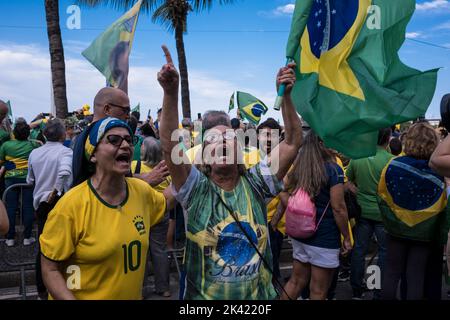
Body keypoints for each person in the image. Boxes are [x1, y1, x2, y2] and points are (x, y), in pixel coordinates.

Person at [158, 45, 302, 299]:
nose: (222, 142)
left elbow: (291, 142)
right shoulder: (195, 190)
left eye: (229, 137)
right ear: (204, 154)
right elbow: (171, 146)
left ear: (241, 148)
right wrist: (171, 93)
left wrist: (287, 96)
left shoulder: (258, 183)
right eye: (212, 140)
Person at [40, 117, 175, 300]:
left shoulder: (141, 191)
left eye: (129, 139)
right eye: (114, 140)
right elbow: (50, 268)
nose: (126, 145)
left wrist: (187, 171)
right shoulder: (70, 206)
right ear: (93, 154)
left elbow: (167, 200)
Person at [379, 123, 448, 300]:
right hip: (424, 233)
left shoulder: (393, 164)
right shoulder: (438, 172)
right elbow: (442, 206)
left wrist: (390, 220)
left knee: (391, 272)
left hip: (395, 228)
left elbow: (382, 195)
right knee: (415, 276)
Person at [280, 132, 352, 300]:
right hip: (324, 238)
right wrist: (347, 237)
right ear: (321, 144)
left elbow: (282, 190)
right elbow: (338, 208)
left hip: (300, 235)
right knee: (318, 291)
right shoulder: (334, 169)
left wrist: (292, 205)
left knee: (296, 282)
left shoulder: (300, 167)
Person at [27, 118, 73, 300]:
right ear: (62, 134)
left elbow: (30, 180)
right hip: (58, 203)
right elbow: (64, 172)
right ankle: (63, 288)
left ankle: (42, 291)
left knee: (44, 249)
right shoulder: (65, 152)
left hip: (41, 205)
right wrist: (55, 192)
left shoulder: (35, 154)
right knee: (64, 247)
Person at [346, 128, 393, 299]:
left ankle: (356, 289)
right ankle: (376, 289)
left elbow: (346, 180)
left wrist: (358, 192)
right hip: (383, 214)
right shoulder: (391, 160)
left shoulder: (358, 157)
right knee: (383, 252)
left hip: (362, 211)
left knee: (359, 250)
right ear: (388, 138)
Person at [131, 137, 172, 298]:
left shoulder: (136, 167)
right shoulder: (165, 168)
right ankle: (164, 287)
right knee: (159, 250)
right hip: (162, 211)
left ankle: (140, 289)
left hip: (140, 212)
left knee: (140, 250)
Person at [71, 87, 131, 187]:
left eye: (128, 140)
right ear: (107, 109)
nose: (128, 116)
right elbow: (109, 184)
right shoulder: (91, 137)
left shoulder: (86, 134)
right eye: (114, 140)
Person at [0, 119, 37, 247]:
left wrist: (8, 164)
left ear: (14, 133)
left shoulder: (6, 145)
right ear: (27, 134)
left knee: (10, 207)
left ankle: (10, 238)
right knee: (28, 207)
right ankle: (27, 237)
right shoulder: (33, 145)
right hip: (28, 179)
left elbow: (1, 161)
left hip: (10, 179)